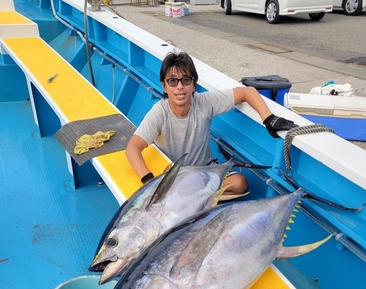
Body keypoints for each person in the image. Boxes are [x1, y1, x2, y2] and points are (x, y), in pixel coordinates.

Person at [126, 51, 298, 195]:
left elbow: (247, 92)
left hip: (205, 172)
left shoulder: (205, 102)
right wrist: (150, 183)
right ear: (164, 86)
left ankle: (198, 198)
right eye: (172, 81)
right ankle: (198, 198)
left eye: (186, 80)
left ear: (194, 84)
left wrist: (269, 118)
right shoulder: (159, 112)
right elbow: (133, 148)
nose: (179, 87)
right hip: (173, 176)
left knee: (240, 183)